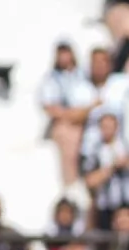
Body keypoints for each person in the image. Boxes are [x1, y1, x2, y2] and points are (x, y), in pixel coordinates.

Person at [40, 42, 100, 194]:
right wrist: (73, 115)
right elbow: (49, 106)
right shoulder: (52, 79)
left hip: (90, 119)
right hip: (69, 122)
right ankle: (71, 184)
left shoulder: (84, 75)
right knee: (67, 136)